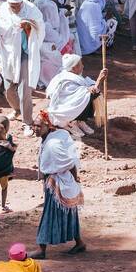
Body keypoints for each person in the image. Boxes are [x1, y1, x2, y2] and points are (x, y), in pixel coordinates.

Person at [0, 0, 46, 134]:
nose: (15, 8)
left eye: (17, 5)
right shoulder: (2, 11)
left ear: (22, 2)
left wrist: (28, 27)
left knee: (25, 89)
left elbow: (39, 29)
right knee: (8, 89)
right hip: (9, 54)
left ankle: (28, 121)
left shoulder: (32, 10)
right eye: (12, 6)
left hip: (26, 54)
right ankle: (17, 109)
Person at [34, 111, 86, 258]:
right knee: (69, 213)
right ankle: (79, 242)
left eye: (38, 126)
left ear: (48, 126)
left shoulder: (53, 144)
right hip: (61, 181)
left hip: (57, 183)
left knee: (49, 214)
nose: (35, 129)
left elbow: (69, 163)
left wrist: (74, 179)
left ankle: (41, 250)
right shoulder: (55, 136)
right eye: (34, 126)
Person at [43, 52, 106, 136]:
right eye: (80, 64)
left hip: (70, 107)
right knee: (89, 96)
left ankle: (79, 120)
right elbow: (89, 93)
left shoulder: (74, 76)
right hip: (63, 111)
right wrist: (99, 80)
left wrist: (96, 84)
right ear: (73, 68)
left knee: (93, 95)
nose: (83, 66)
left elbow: (89, 84)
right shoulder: (67, 81)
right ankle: (69, 123)